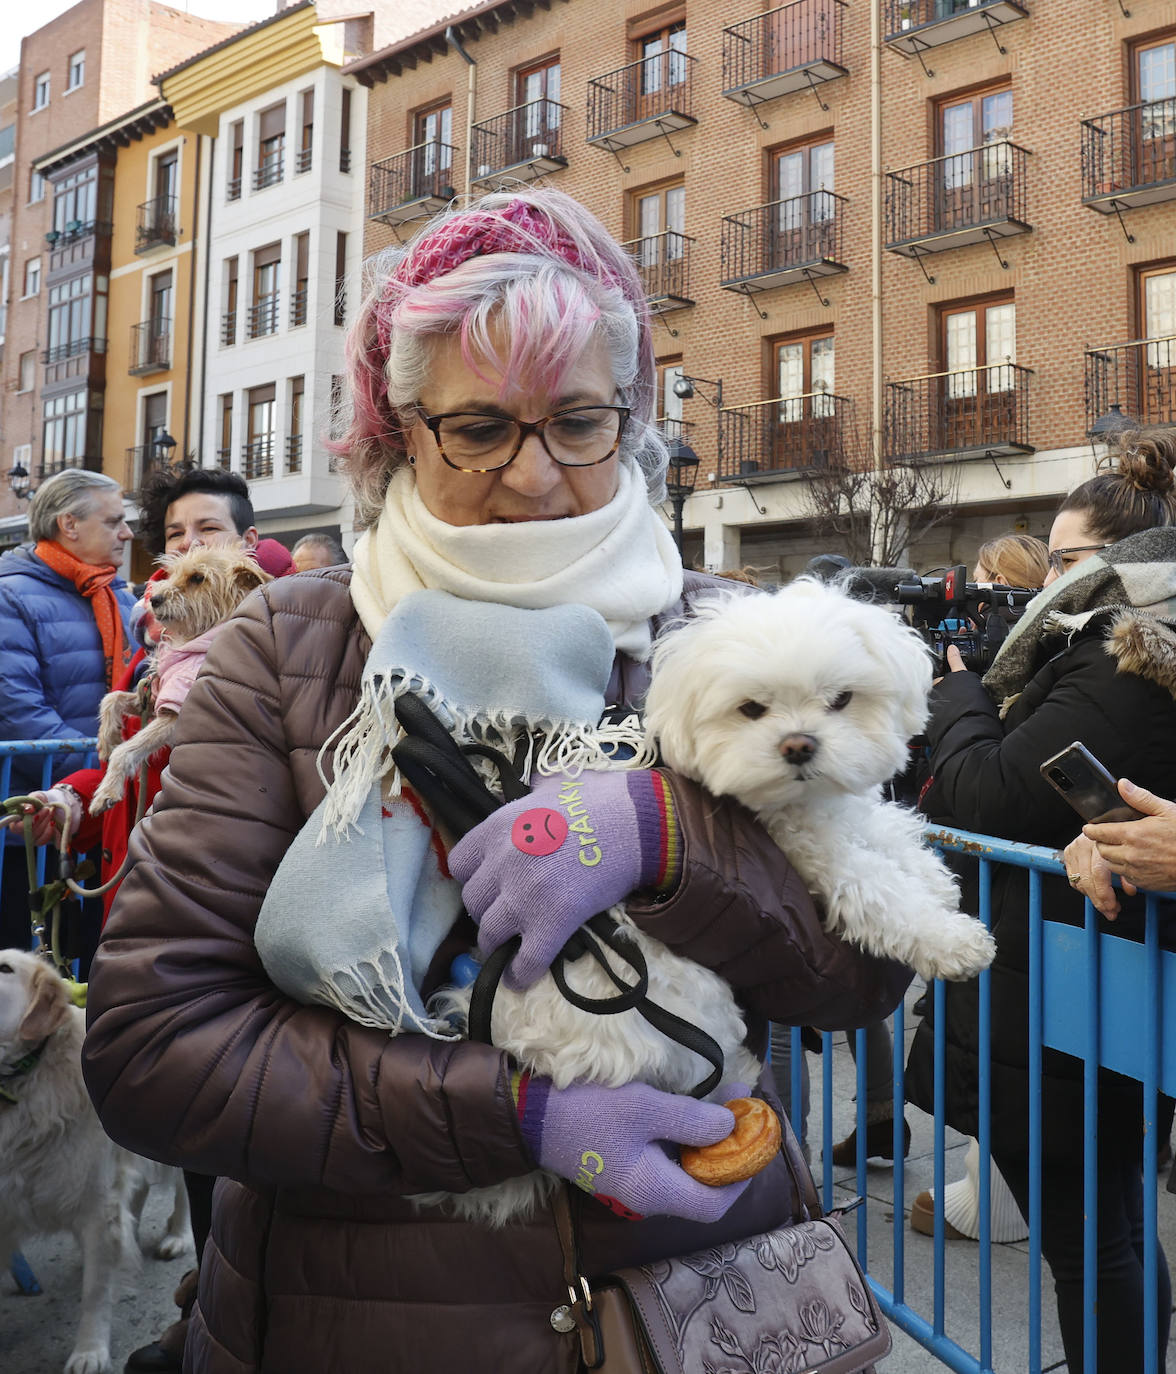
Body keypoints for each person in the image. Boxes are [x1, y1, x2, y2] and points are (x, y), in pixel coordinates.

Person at [81, 189, 911, 1374]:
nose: (531, 477)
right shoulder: (289, 647)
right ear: (399, 433)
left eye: (575, 421)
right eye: (479, 429)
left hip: (700, 1297)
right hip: (358, 1319)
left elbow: (864, 972)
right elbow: (153, 1044)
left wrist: (671, 844)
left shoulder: (724, 637)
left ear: (626, 419)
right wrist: (514, 1112)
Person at [907, 428, 1176, 1373]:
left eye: (1063, 559)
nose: (1045, 582)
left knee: (1096, 1239)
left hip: (1069, 990)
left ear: (1121, 562)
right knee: (1108, 1230)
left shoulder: (1125, 652)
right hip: (1069, 980)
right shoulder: (1113, 645)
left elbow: (988, 790)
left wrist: (956, 693)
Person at [11, 465, 277, 1374]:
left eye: (206, 532)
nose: (178, 553)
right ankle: (201, 1306)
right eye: (172, 536)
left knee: (227, 1119)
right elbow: (116, 754)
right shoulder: (156, 652)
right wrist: (69, 793)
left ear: (245, 547)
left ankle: (226, 1314)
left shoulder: (269, 652)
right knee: (169, 1106)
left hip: (225, 910)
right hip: (137, 900)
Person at [0, 469, 134, 949]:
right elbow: (18, 709)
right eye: (114, 521)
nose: (127, 533)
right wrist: (105, 774)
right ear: (68, 525)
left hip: (94, 813)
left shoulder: (118, 593)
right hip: (27, 829)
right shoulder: (8, 594)